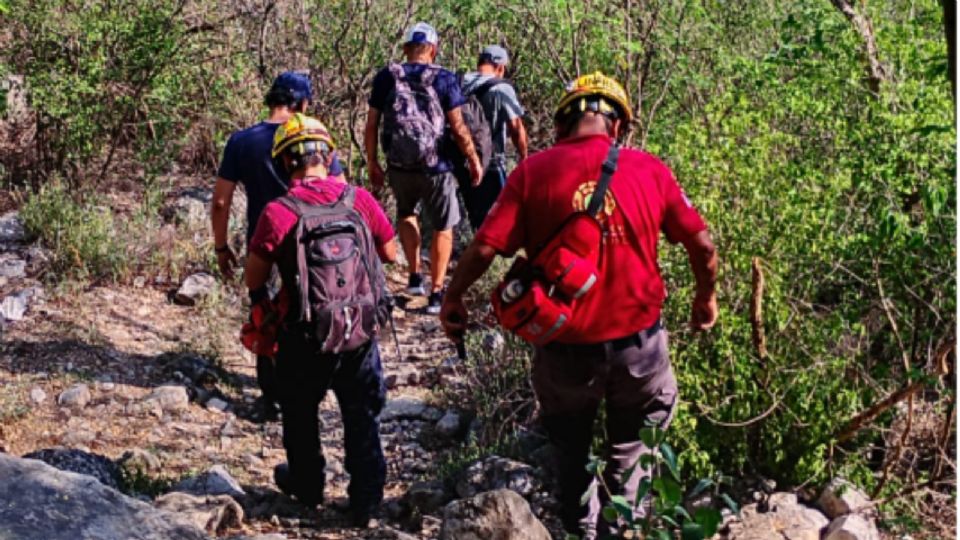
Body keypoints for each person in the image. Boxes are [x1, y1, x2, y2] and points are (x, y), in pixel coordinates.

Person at [439, 72, 718, 539]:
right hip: (639, 351)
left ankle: (580, 530)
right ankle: (618, 527)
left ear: (563, 123)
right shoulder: (650, 170)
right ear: (618, 126)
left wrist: (453, 297)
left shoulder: (532, 173)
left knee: (570, 449)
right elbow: (703, 245)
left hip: (563, 349)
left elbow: (486, 248)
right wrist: (704, 298)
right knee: (632, 449)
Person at [244, 113, 397, 527]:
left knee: (298, 410)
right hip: (359, 331)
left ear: (283, 165)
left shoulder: (279, 211)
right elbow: (391, 253)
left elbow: (253, 277)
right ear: (328, 156)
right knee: (361, 410)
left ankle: (308, 485)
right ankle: (366, 497)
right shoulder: (358, 199)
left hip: (304, 332)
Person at [211, 71, 345, 421]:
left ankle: (271, 395)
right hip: (315, 242)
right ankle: (311, 386)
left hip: (264, 242)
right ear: (302, 104)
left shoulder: (242, 141)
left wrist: (222, 248)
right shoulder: (313, 139)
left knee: (266, 315)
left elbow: (221, 202)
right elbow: (341, 189)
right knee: (313, 307)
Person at [364, 21, 482, 314]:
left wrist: (373, 162)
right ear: (433, 49)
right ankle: (437, 293)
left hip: (399, 164)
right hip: (437, 166)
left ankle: (415, 278)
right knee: (444, 226)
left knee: (406, 213)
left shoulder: (386, 77)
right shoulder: (444, 79)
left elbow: (371, 124)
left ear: (406, 49)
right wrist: (473, 158)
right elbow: (457, 126)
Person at [455, 45, 528, 230]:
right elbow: (516, 127)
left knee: (472, 214)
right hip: (492, 163)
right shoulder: (502, 88)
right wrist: (524, 159)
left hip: (461, 160)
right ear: (500, 67)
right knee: (499, 218)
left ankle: (467, 249)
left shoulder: (459, 82)